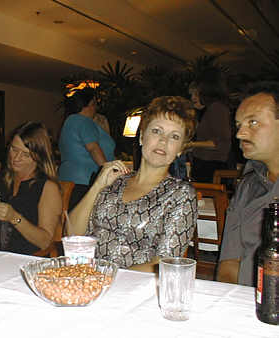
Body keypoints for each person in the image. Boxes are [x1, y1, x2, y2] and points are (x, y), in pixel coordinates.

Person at [69, 96, 198, 272]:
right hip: (88, 280)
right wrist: (97, 186)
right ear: (142, 136)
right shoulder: (114, 181)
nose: (163, 141)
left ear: (180, 149)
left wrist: (107, 277)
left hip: (132, 289)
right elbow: (71, 235)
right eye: (157, 131)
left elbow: (164, 264)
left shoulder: (180, 194)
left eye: (174, 136)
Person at [0, 122, 62, 255]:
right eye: (14, 149)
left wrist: (14, 217)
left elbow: (46, 242)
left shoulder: (47, 188)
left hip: (23, 258)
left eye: (25, 154)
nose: (16, 158)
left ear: (38, 157)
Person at [218, 82, 279, 286]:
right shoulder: (247, 186)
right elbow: (228, 263)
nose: (240, 134)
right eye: (238, 125)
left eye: (253, 122)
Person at [59, 87, 116, 210]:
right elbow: (93, 148)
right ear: (90, 104)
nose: (96, 109)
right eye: (95, 104)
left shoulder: (70, 121)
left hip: (71, 180)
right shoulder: (83, 121)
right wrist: (107, 172)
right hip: (84, 182)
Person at [189, 71, 233, 182]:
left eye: (195, 94)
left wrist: (189, 145)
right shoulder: (211, 109)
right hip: (206, 165)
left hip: (210, 167)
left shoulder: (217, 108)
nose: (193, 98)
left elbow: (218, 143)